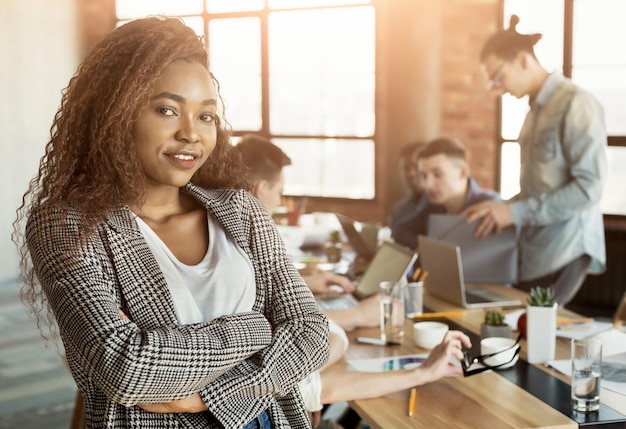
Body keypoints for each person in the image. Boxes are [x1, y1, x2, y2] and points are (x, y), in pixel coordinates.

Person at [13, 17, 331, 429]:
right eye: (167, 110)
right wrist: (257, 328)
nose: (191, 134)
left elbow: (311, 333)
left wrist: (207, 394)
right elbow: (126, 367)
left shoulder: (241, 210)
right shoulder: (68, 224)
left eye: (206, 116)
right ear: (116, 114)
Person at [464, 15, 607, 306]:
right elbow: (539, 190)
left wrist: (514, 214)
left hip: (565, 248)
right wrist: (502, 208)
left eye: (498, 77)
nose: (498, 89)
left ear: (522, 59)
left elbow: (589, 188)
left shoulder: (576, 104)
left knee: (533, 334)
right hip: (535, 251)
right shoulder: (533, 114)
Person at [234, 134, 380, 331]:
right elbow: (261, 327)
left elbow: (252, 289)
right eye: (279, 192)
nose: (278, 202)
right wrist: (357, 314)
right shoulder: (232, 241)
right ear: (262, 188)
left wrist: (302, 280)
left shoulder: (236, 227)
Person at [391, 137, 499, 250]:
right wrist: (424, 249)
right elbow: (400, 230)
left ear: (463, 172)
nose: (427, 185)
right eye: (424, 176)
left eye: (437, 175)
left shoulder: (492, 206)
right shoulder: (433, 206)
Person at [387, 141, 427, 237]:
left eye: (416, 167)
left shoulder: (445, 208)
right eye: (406, 168)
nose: (411, 174)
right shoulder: (398, 210)